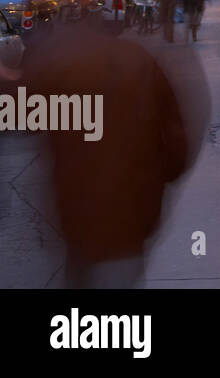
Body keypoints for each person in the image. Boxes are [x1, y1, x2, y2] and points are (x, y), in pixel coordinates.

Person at [21, 18, 209, 287]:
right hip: (128, 218)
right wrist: (157, 179)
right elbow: (179, 142)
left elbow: (19, 111)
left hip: (77, 219)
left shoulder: (58, 63)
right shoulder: (140, 61)